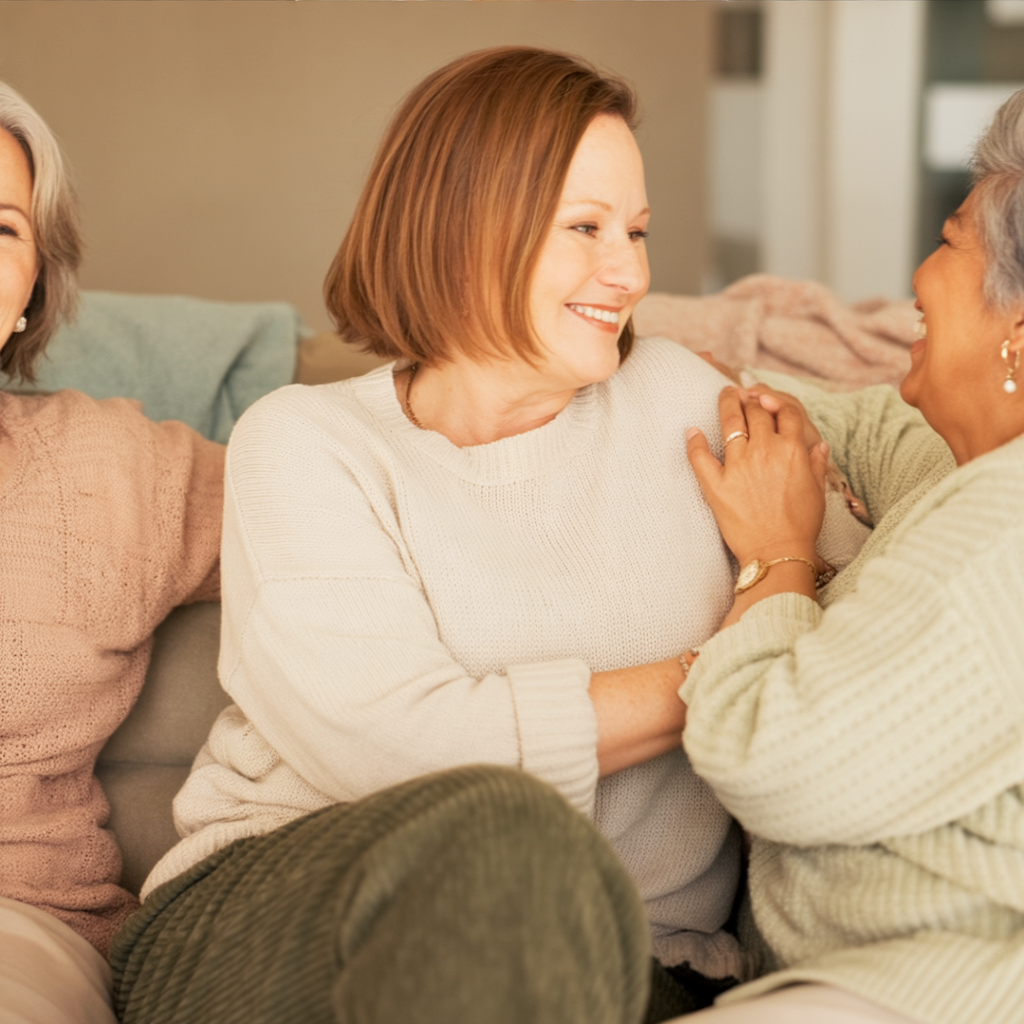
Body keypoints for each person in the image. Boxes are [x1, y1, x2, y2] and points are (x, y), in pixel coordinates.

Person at [110, 47, 868, 1024]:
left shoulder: (686, 403)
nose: (630, 272)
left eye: (636, 231)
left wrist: (796, 568)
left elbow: (862, 633)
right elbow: (400, 747)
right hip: (279, 915)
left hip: (628, 956)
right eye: (585, 228)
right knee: (513, 831)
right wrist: (747, 644)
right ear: (463, 228)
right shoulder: (307, 442)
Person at [675, 86, 1024, 1024]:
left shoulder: (1009, 532)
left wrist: (779, 557)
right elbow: (858, 421)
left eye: (952, 242)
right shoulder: (967, 459)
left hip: (938, 988)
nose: (918, 273)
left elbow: (771, 758)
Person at [0, 81, 224, 1024]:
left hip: (18, 928)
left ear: (29, 294)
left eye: (1, 230)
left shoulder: (109, 469)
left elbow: (386, 476)